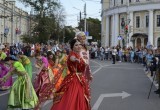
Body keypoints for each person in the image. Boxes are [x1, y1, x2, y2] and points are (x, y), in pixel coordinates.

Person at [51, 39, 91, 110]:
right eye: (76, 45)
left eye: (79, 44)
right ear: (72, 47)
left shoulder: (79, 55)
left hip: (80, 79)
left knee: (80, 97)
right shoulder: (72, 54)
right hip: (74, 79)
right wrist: (75, 59)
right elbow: (71, 58)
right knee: (72, 97)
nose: (79, 46)